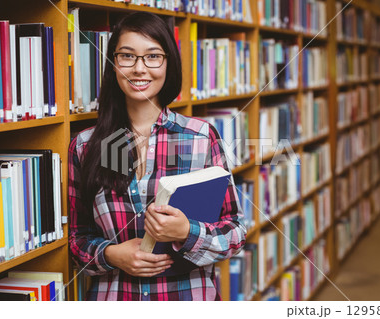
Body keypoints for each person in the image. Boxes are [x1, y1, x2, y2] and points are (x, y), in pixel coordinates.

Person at [68, 11, 247, 301]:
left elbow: (236, 233)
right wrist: (111, 254)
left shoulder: (201, 136)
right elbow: (76, 238)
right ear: (114, 64)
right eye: (127, 56)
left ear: (168, 64)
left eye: (153, 56)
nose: (139, 69)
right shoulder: (84, 146)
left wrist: (187, 231)